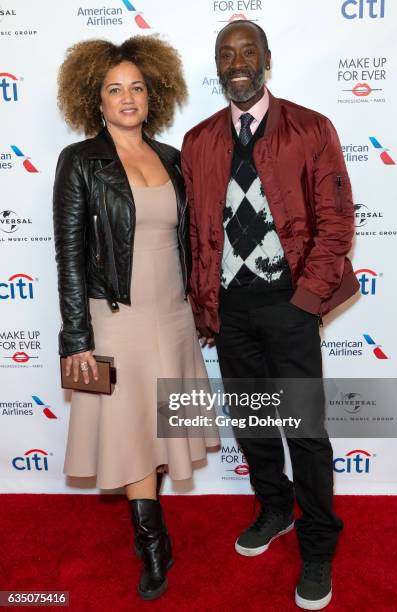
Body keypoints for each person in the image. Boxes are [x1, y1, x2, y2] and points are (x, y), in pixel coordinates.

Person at [181, 20, 359, 610]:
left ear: (267, 60)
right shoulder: (199, 140)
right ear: (217, 65)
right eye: (225, 53)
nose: (237, 62)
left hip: (290, 306)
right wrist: (205, 303)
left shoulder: (311, 128)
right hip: (231, 313)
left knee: (304, 432)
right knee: (254, 424)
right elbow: (194, 234)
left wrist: (305, 301)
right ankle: (276, 509)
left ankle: (317, 544)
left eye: (247, 51)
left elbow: (336, 223)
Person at [53, 36, 219, 602]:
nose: (127, 98)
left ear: (154, 94)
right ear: (94, 100)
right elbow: (69, 254)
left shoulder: (172, 159)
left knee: (168, 425)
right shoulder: (79, 162)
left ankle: (152, 521)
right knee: (130, 434)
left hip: (173, 315)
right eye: (114, 89)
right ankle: (151, 542)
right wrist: (76, 336)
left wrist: (203, 305)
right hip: (115, 319)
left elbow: (190, 242)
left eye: (137, 88)